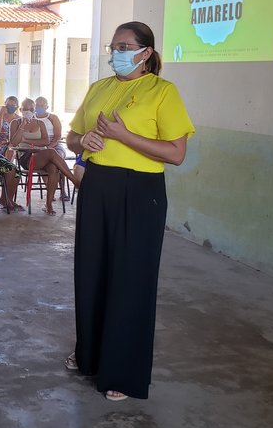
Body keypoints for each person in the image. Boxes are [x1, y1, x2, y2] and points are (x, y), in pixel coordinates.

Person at [65, 21, 194, 401]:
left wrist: (124, 136)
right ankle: (89, 354)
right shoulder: (99, 88)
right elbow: (73, 136)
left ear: (145, 53)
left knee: (129, 278)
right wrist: (81, 141)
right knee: (91, 271)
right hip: (98, 186)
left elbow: (176, 153)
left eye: (125, 46)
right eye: (113, 46)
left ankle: (121, 371)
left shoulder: (162, 92)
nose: (116, 53)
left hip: (140, 192)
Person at [8, 98, 78, 215]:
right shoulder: (15, 123)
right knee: (51, 152)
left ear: (34, 110)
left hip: (42, 155)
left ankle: (48, 204)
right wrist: (22, 127)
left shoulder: (40, 123)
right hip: (25, 156)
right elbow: (14, 143)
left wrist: (27, 140)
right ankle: (74, 179)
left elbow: (45, 141)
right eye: (25, 109)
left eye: (31, 109)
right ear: (20, 110)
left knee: (53, 168)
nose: (28, 111)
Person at [33, 96, 70, 199]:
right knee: (45, 163)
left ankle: (63, 191)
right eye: (37, 105)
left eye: (42, 105)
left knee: (58, 160)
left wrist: (49, 147)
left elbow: (58, 136)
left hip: (55, 145)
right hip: (38, 145)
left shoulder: (53, 118)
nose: (39, 107)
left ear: (47, 106)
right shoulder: (32, 118)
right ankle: (50, 189)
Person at [0, 96, 20, 160]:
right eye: (8, 105)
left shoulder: (19, 119)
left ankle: (7, 167)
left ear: (17, 107)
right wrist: (1, 114)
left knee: (11, 148)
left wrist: (9, 142)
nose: (10, 106)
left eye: (13, 105)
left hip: (12, 144)